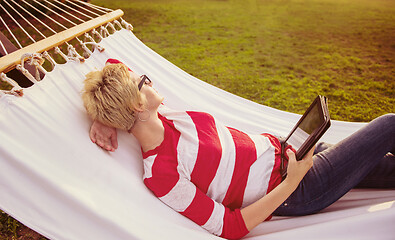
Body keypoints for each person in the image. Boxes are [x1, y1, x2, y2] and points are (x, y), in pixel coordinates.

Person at [82, 59, 395, 240]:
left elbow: (114, 67)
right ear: (138, 104)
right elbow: (229, 227)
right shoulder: (162, 174)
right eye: (144, 81)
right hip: (299, 187)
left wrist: (104, 118)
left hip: (291, 152)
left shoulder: (166, 117)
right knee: (389, 125)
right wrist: (292, 182)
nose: (150, 81)